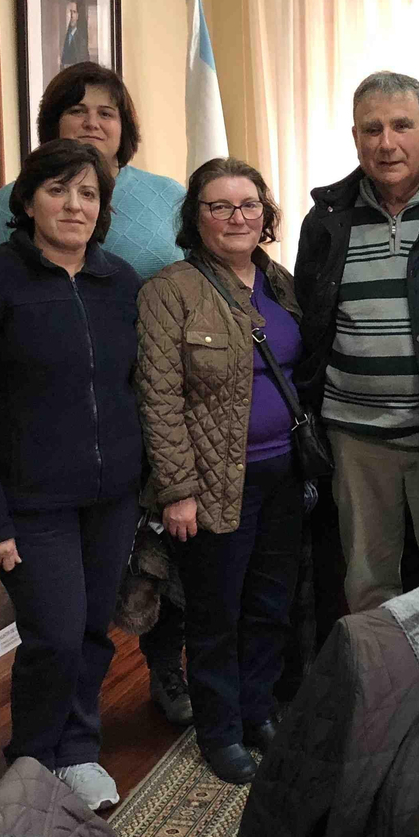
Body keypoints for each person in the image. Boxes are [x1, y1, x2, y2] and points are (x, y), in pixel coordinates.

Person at [0, 62, 193, 728]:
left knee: (173, 549)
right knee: (70, 609)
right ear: (52, 126)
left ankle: (167, 668)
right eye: (79, 110)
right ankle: (53, 739)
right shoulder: (12, 202)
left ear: (125, 127)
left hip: (164, 409)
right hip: (57, 434)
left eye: (108, 111)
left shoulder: (166, 195)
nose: (95, 121)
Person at [0, 139, 143, 811]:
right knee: (53, 634)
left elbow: (132, 386)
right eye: (59, 190)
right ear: (28, 201)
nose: (74, 205)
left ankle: (78, 751)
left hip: (111, 494)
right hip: (29, 500)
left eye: (89, 194)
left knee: (90, 630)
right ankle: (31, 759)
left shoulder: (119, 284)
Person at [294, 71, 419, 613]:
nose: (387, 143)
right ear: (356, 138)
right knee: (367, 589)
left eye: (402, 126)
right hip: (356, 443)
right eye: (372, 129)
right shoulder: (327, 219)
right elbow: (312, 325)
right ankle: (385, 697)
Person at [136, 158, 304, 784]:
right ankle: (220, 730)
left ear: (265, 214)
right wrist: (178, 491)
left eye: (248, 205)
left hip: (284, 479)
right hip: (210, 486)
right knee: (215, 615)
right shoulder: (169, 291)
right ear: (196, 218)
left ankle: (257, 711)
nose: (237, 217)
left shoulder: (280, 283)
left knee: (270, 605)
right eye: (219, 206)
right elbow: (158, 398)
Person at [59, 0, 89, 68]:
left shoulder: (81, 38)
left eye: (74, 12)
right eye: (70, 12)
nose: (72, 15)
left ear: (78, 15)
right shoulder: (64, 35)